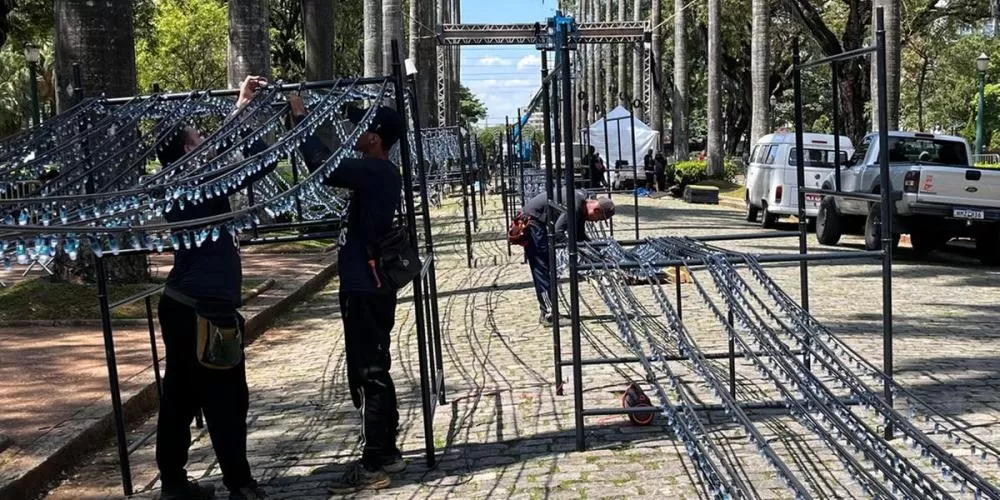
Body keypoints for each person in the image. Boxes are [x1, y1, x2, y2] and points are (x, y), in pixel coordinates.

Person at [154, 76, 272, 500]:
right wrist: (255, 117)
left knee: (181, 395)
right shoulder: (198, 184)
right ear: (188, 149)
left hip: (180, 303)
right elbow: (260, 164)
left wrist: (241, 106)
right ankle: (240, 484)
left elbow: (218, 150)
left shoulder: (172, 182)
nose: (203, 138)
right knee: (226, 397)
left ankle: (172, 482)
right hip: (206, 310)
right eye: (196, 136)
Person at [288, 94, 406, 493]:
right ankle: (386, 449)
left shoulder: (375, 171)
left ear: (374, 139)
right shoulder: (377, 172)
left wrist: (302, 117)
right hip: (366, 285)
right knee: (373, 369)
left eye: (362, 129)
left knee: (370, 373)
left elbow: (322, 166)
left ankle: (373, 464)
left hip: (366, 287)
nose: (355, 134)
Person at [520, 189, 615, 325]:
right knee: (543, 269)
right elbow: (557, 232)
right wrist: (569, 251)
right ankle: (549, 315)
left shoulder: (580, 204)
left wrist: (600, 255)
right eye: (598, 219)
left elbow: (580, 238)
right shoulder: (575, 206)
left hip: (538, 222)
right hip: (533, 223)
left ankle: (547, 311)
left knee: (546, 269)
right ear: (596, 210)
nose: (594, 222)